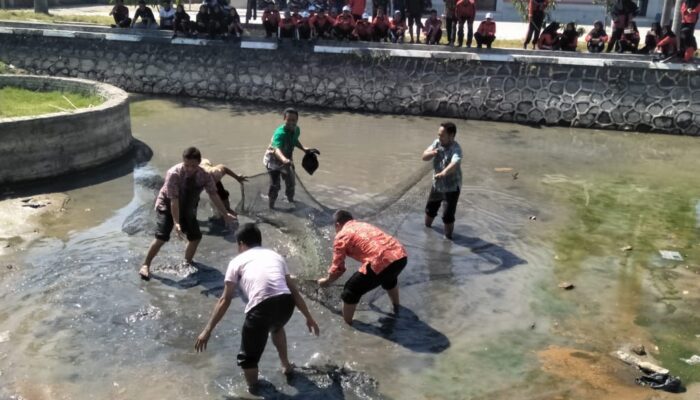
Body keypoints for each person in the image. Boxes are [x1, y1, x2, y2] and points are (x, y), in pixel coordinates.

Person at [195, 223, 320, 392]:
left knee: (248, 359)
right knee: (276, 327)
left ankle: (254, 390)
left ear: (241, 244)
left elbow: (225, 299)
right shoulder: (276, 256)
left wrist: (207, 330)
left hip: (262, 306)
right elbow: (294, 291)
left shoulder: (236, 261)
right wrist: (309, 317)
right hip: (286, 303)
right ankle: (286, 366)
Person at [139, 147, 237, 281]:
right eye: (186, 165)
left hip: (187, 205)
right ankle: (146, 265)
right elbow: (173, 200)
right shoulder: (174, 173)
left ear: (199, 163)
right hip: (167, 205)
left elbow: (213, 194)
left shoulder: (204, 175)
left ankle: (188, 261)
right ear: (183, 161)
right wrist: (176, 222)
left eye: (193, 166)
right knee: (162, 237)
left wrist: (225, 213)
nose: (189, 169)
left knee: (195, 237)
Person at [317, 210, 408, 325]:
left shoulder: (341, 235)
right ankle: (396, 307)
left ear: (337, 225)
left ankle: (348, 325)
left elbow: (337, 270)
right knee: (388, 276)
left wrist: (325, 281)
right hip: (400, 255)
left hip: (381, 260)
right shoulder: (363, 224)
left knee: (351, 290)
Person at [263, 108, 319, 209]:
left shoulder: (296, 129)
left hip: (287, 158)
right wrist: (284, 160)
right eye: (289, 120)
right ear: (284, 119)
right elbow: (276, 150)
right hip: (273, 160)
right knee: (275, 185)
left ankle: (290, 200)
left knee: (291, 183)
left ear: (297, 121)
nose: (291, 123)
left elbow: (294, 140)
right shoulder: (279, 133)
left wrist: (304, 149)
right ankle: (271, 207)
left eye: (294, 120)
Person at [421, 122, 462, 240]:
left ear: (451, 136)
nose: (439, 138)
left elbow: (455, 163)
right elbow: (423, 156)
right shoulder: (437, 143)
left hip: (452, 187)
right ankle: (427, 232)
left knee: (448, 216)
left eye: (442, 136)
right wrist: (432, 153)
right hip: (437, 184)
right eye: (439, 135)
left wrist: (444, 172)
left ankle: (448, 240)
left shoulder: (456, 149)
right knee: (430, 210)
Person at [199, 159, 247, 226]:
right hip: (199, 176)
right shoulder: (195, 180)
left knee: (221, 195)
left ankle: (228, 212)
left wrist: (237, 177)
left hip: (207, 168)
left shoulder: (215, 173)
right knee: (215, 205)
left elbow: (224, 168)